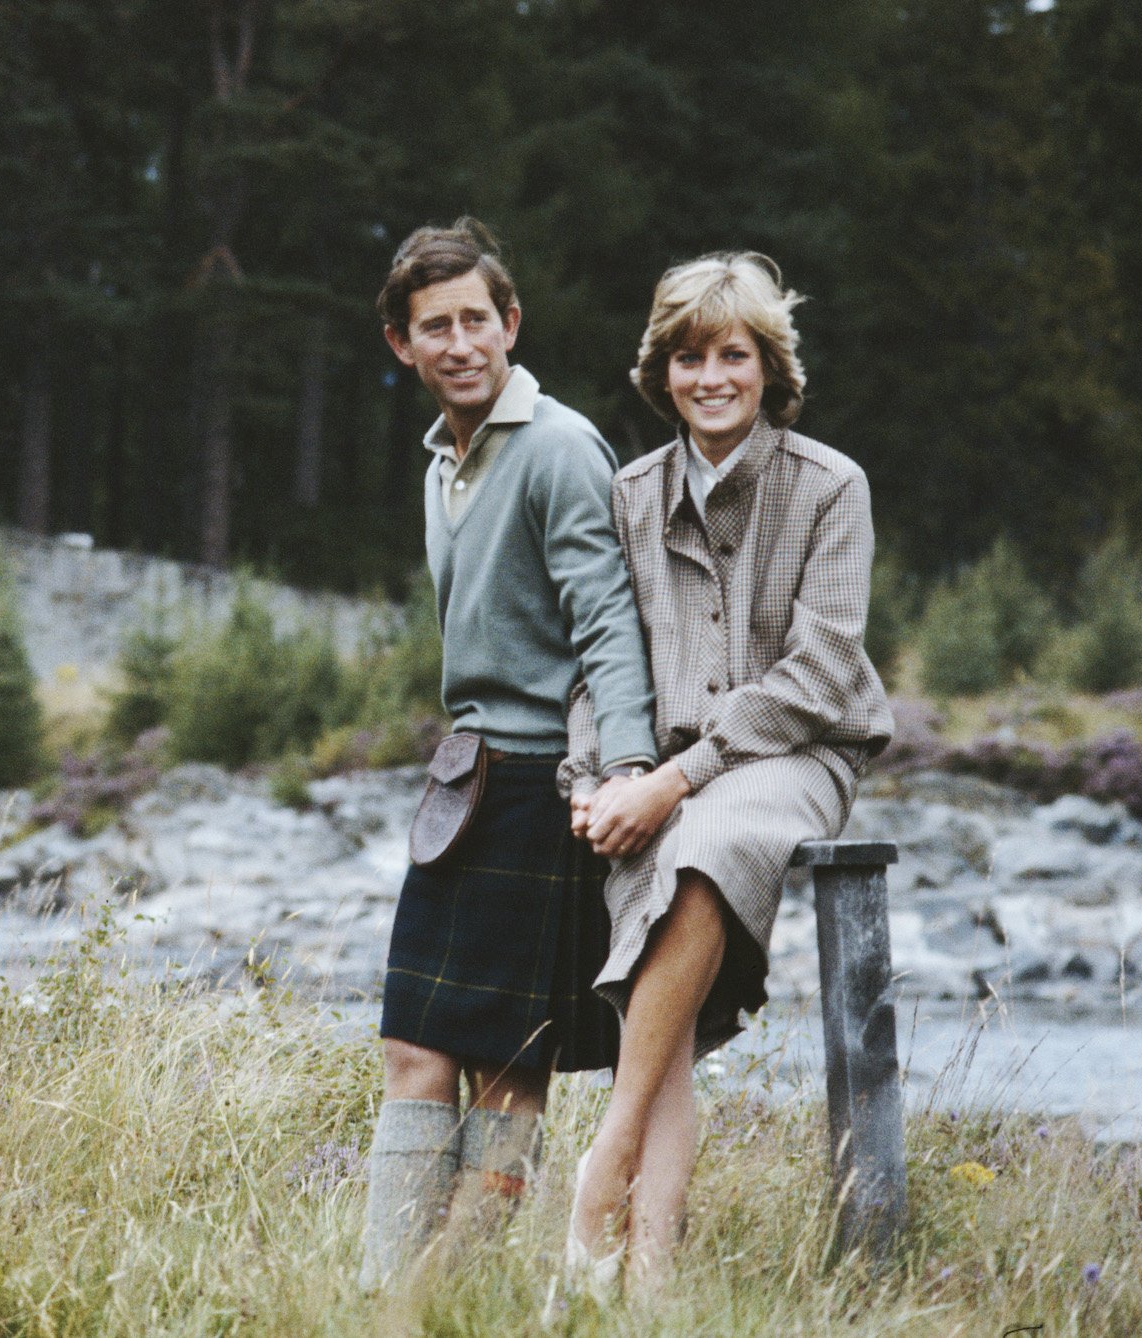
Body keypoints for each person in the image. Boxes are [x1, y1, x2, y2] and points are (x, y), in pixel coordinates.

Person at [557, 252, 894, 1293]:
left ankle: (605, 1155)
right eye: (689, 357)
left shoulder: (829, 485)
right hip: (654, 762)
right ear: (661, 373)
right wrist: (596, 777)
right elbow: (598, 655)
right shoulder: (627, 494)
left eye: (732, 355)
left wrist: (676, 778)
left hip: (795, 754)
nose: (711, 377)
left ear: (767, 368)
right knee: (654, 875)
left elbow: (824, 666)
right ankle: (648, 1280)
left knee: (697, 844)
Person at [358, 218, 659, 1291]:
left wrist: (626, 772)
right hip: (466, 776)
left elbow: (607, 620)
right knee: (412, 1050)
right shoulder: (442, 457)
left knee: (505, 1067)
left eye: (474, 321)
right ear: (400, 343)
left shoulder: (558, 447)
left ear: (510, 323)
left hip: (542, 786)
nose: (457, 344)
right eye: (432, 327)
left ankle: (436, 1302)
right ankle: (383, 1296)